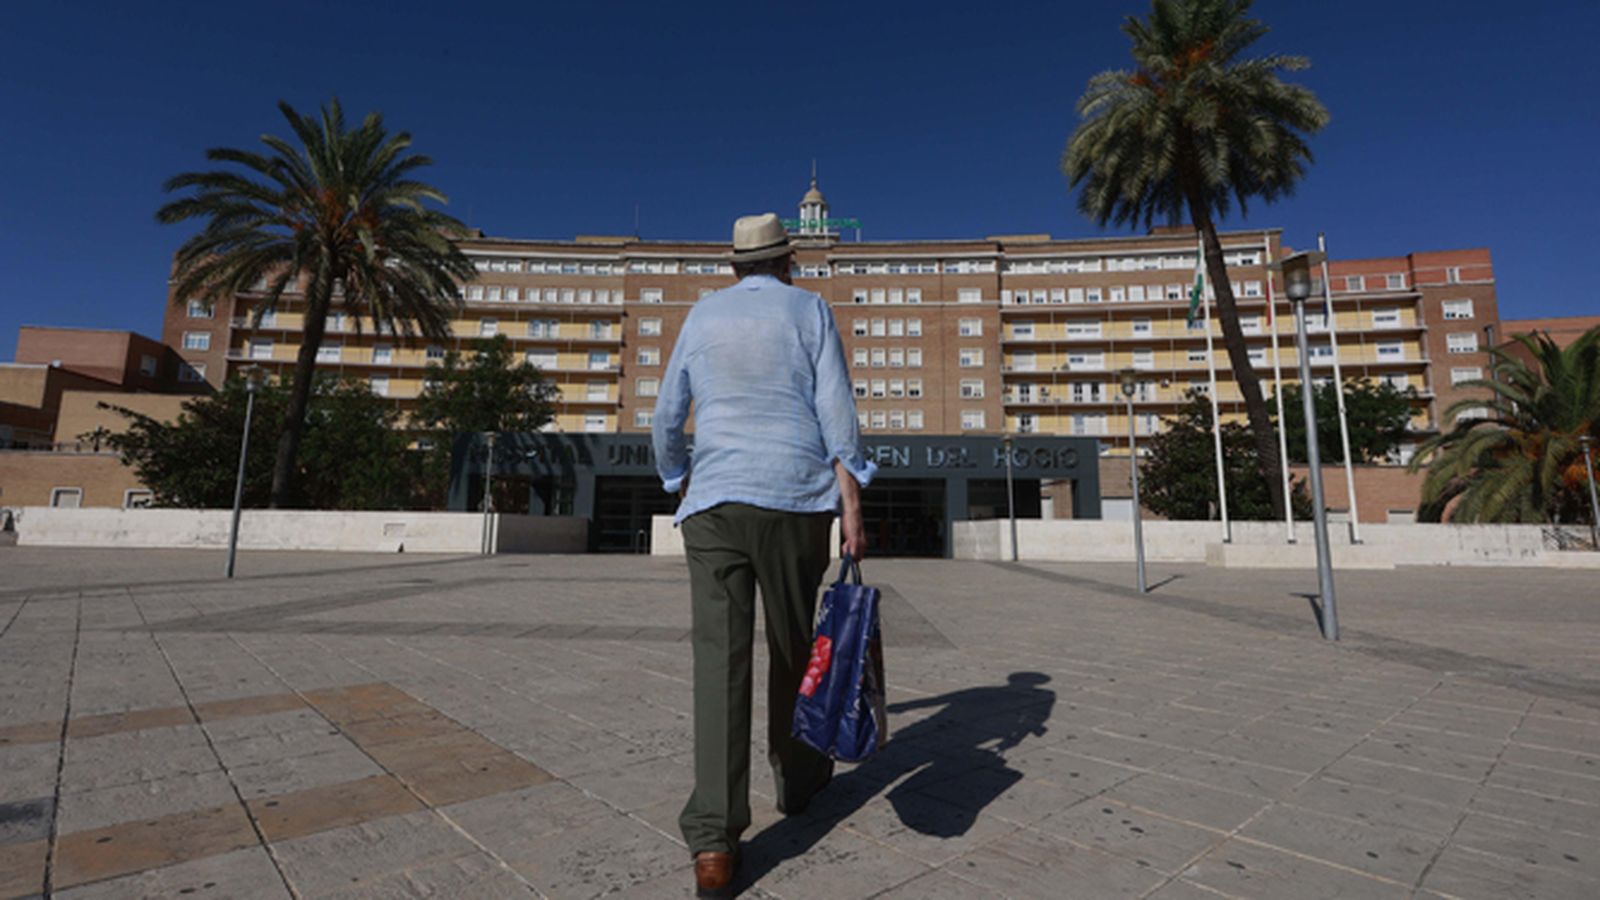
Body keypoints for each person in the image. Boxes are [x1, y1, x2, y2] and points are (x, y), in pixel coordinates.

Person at [653, 212, 874, 897]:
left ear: (733, 266)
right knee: (792, 648)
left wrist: (676, 477)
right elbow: (835, 409)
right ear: (788, 261)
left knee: (718, 663)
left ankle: (714, 843)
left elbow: (667, 412)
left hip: (715, 503)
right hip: (793, 499)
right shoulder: (810, 310)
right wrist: (852, 499)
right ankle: (798, 782)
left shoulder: (702, 315)